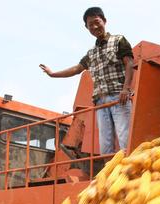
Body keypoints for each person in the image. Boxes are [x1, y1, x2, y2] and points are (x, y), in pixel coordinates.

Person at [40, 6, 135, 155]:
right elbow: (76, 69)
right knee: (105, 145)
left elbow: (129, 63)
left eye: (97, 22)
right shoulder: (91, 53)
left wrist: (125, 89)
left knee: (125, 139)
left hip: (119, 98)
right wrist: (53, 74)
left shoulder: (118, 41)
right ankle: (110, 176)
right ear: (87, 28)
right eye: (90, 25)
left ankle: (129, 173)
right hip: (100, 102)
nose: (95, 26)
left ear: (104, 21)